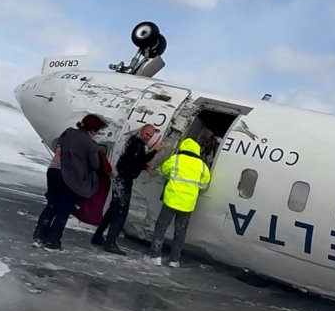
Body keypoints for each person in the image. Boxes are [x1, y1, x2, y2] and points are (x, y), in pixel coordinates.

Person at [33, 114, 107, 251]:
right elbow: (95, 165)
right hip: (71, 179)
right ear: (93, 130)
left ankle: (39, 237)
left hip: (54, 171)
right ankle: (52, 242)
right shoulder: (91, 145)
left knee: (51, 205)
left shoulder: (68, 132)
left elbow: (56, 144)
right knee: (63, 211)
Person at [91, 123, 163, 255]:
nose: (148, 137)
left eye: (150, 136)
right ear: (141, 131)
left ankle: (98, 235)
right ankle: (110, 242)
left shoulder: (133, 141)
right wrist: (154, 151)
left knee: (114, 208)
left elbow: (134, 160)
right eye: (147, 134)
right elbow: (139, 159)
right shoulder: (138, 143)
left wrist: (143, 166)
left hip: (122, 175)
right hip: (124, 179)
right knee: (121, 211)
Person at [148, 137, 211, 268]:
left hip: (171, 200)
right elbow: (204, 185)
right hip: (187, 204)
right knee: (180, 232)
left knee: (161, 227)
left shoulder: (176, 159)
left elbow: (164, 171)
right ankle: (174, 260)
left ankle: (155, 257)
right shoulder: (203, 166)